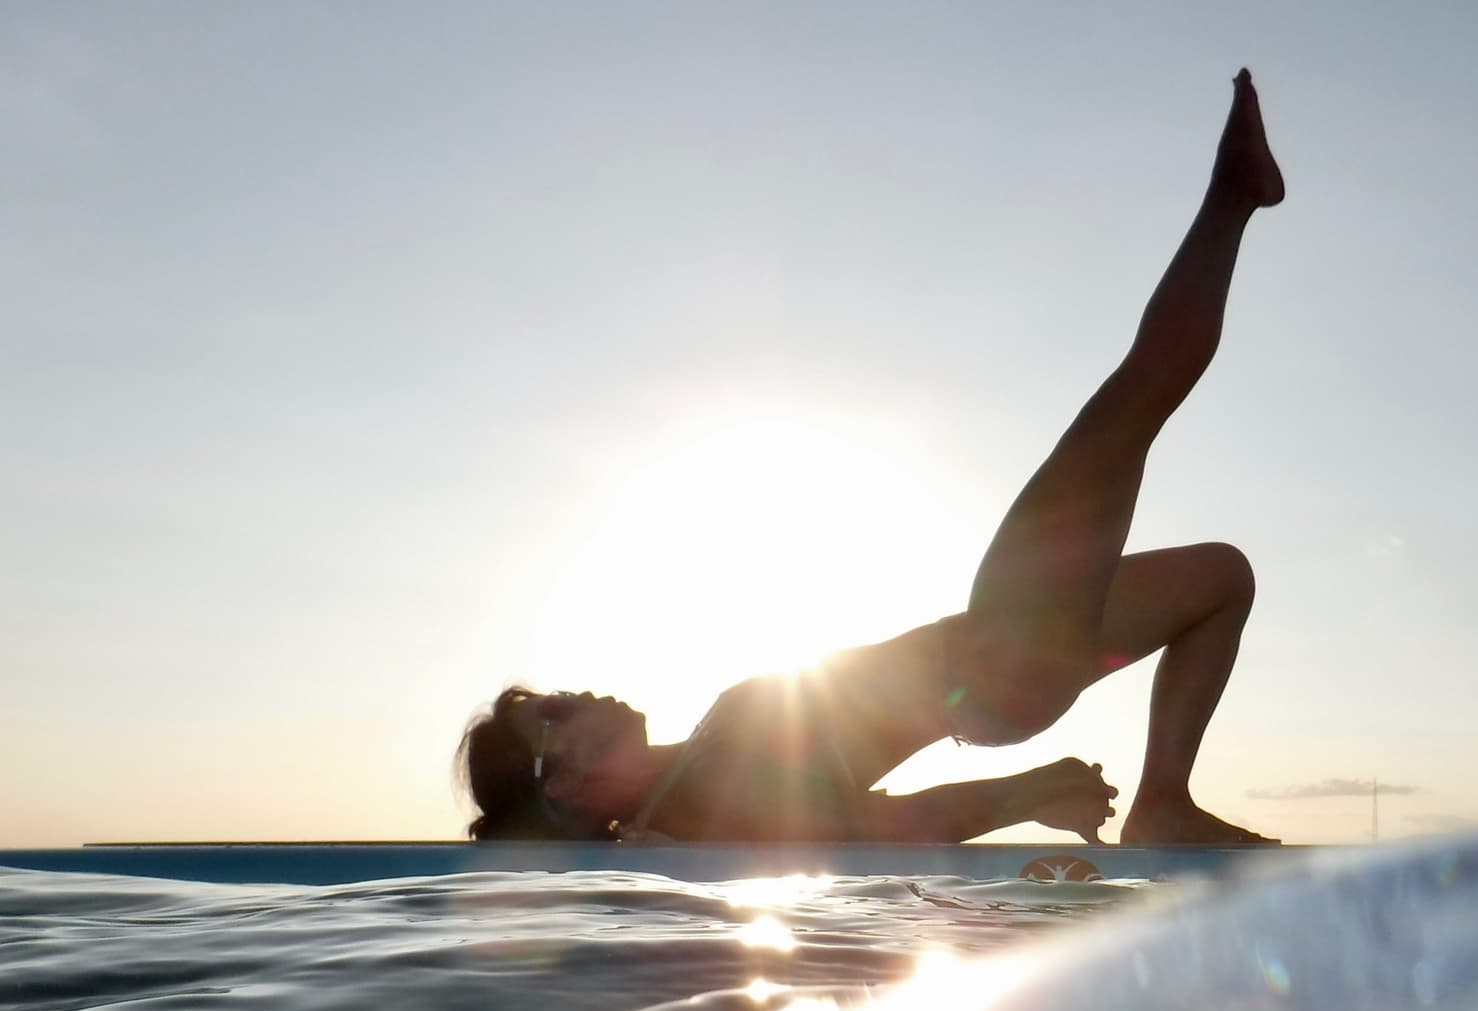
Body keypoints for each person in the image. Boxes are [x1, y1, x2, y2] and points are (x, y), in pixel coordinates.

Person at [459, 70, 1285, 846]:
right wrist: (1021, 794)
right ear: (560, 783)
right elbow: (864, 829)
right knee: (1132, 404)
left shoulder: (695, 766)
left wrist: (1026, 784)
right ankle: (1232, 196)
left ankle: (1165, 802)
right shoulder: (699, 808)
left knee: (1221, 578)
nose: (584, 694)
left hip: (997, 659)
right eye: (559, 714)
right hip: (998, 658)